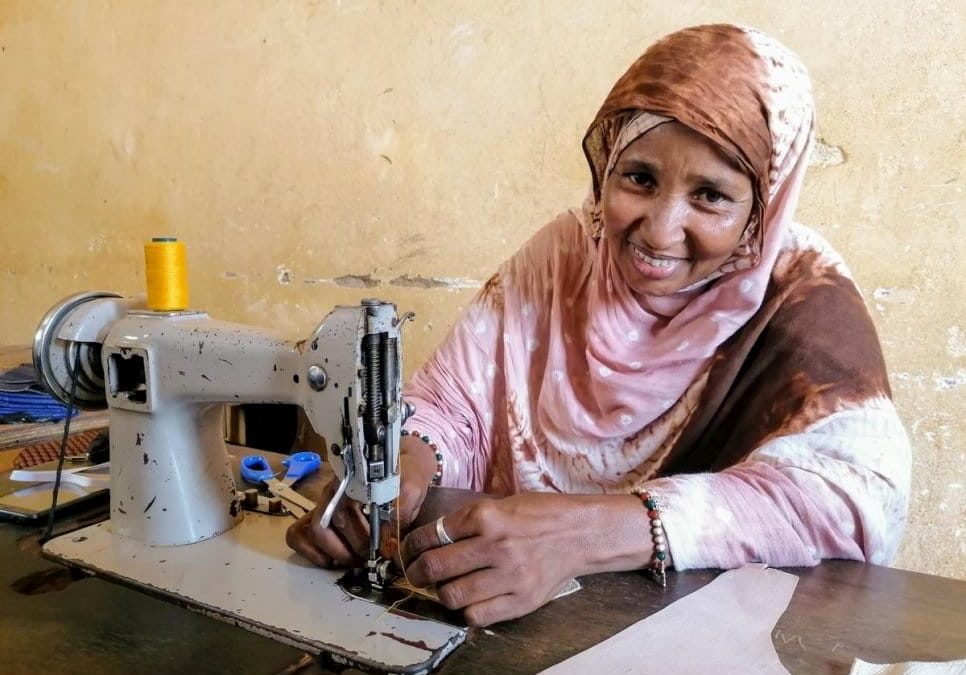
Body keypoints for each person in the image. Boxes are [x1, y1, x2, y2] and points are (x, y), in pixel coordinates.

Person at [286, 23, 911, 627]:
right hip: (513, 609)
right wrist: (402, 466)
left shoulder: (800, 294)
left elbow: (856, 500)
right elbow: (457, 404)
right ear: (606, 167)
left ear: (762, 210)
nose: (660, 231)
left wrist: (589, 532)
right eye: (639, 179)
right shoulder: (564, 255)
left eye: (711, 196)